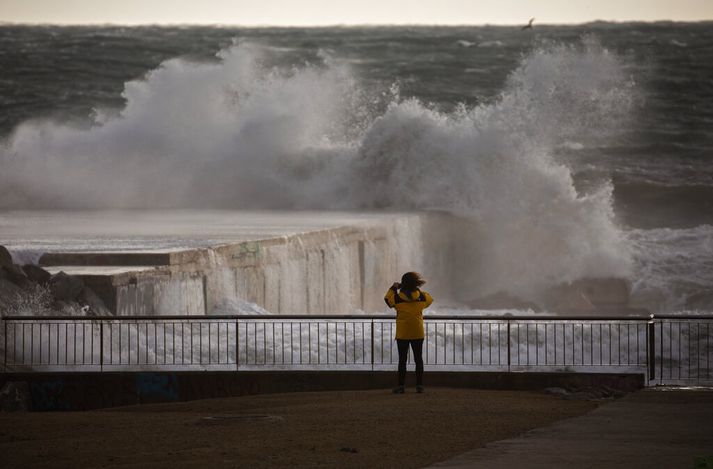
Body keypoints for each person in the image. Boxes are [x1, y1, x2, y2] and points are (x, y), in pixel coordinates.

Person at [384, 272, 433, 394]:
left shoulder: (397, 298)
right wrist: (417, 290)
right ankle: (419, 386)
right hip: (417, 332)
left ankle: (401, 386)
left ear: (403, 284)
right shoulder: (421, 297)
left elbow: (387, 300)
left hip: (403, 333)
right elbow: (430, 299)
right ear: (416, 284)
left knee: (402, 360)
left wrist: (394, 288)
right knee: (418, 359)